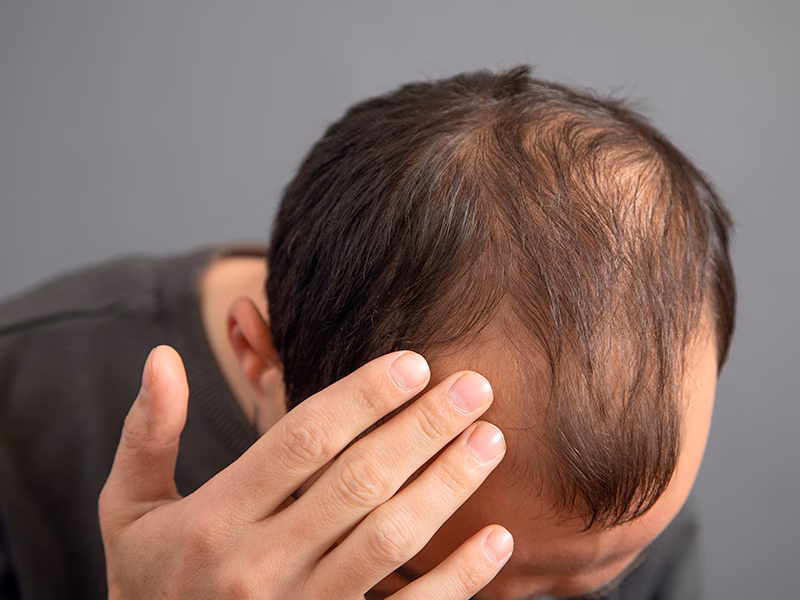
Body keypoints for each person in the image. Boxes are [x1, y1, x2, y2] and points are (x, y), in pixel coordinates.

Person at [0, 66, 736, 599]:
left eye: (579, 589)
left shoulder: (614, 496)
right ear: (262, 359)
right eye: (408, 572)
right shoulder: (21, 419)